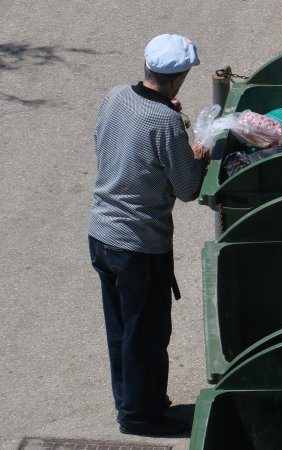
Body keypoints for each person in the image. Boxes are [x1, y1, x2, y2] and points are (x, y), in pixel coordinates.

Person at [88, 34, 210, 436]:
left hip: (102, 234)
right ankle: (143, 417)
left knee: (121, 329)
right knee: (147, 333)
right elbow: (188, 188)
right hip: (139, 245)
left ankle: (131, 403)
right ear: (182, 75)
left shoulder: (117, 96)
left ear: (146, 63)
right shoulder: (166, 122)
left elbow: (109, 141)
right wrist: (196, 154)